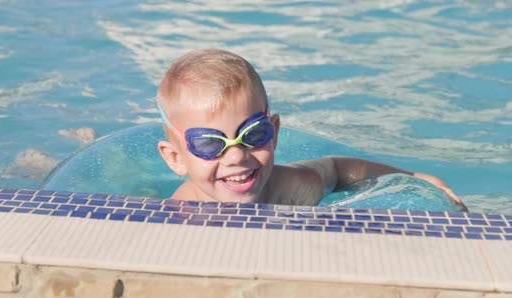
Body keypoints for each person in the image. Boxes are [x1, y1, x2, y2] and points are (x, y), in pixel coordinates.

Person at [156, 48, 467, 210]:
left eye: (253, 134)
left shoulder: (291, 186)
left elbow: (337, 169)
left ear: (274, 132)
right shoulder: (180, 216)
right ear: (175, 158)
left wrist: (413, 178)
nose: (237, 155)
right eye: (210, 144)